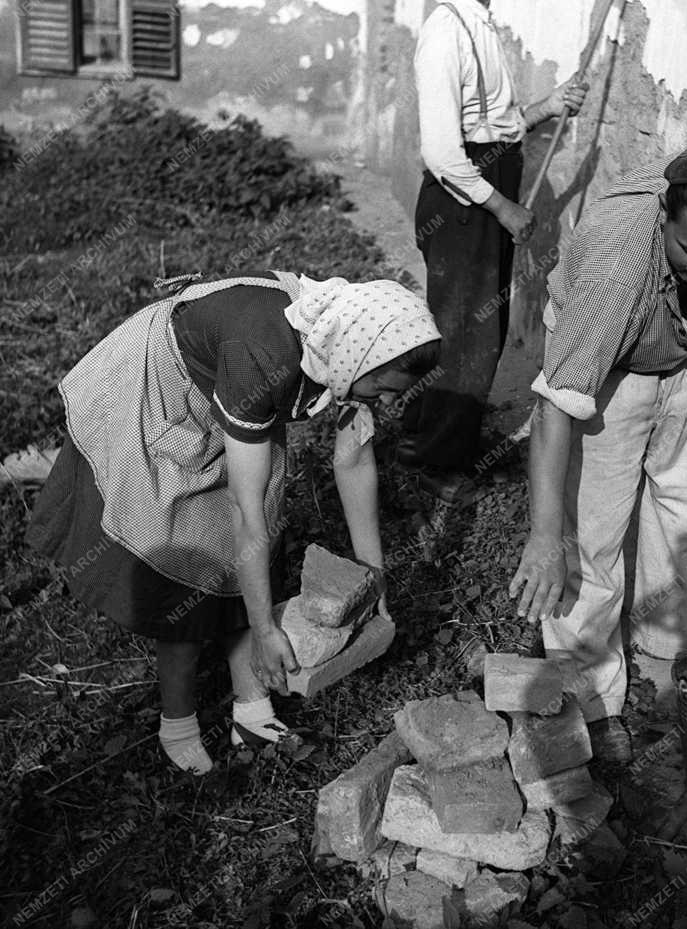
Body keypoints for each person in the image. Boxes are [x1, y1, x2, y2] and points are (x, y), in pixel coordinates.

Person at [26, 270, 441, 774]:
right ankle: (177, 720)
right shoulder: (266, 355)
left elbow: (352, 461)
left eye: (396, 392)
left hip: (232, 394)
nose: (390, 401)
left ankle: (250, 704)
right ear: (359, 359)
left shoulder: (348, 340)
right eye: (383, 388)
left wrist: (373, 578)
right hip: (161, 390)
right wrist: (267, 628)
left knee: (258, 527)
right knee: (188, 565)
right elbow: (246, 519)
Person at [509, 143, 687, 764]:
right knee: (591, 544)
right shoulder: (614, 270)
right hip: (607, 372)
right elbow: (554, 409)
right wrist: (545, 536)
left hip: (680, 360)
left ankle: (663, 665)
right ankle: (589, 702)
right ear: (664, 216)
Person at [399, 0, 588, 500]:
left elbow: (495, 125)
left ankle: (426, 434)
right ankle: (437, 467)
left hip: (484, 185)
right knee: (467, 332)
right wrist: (503, 207)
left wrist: (549, 107)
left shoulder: (480, 24)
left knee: (474, 325)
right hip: (463, 200)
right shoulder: (444, 32)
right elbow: (443, 152)